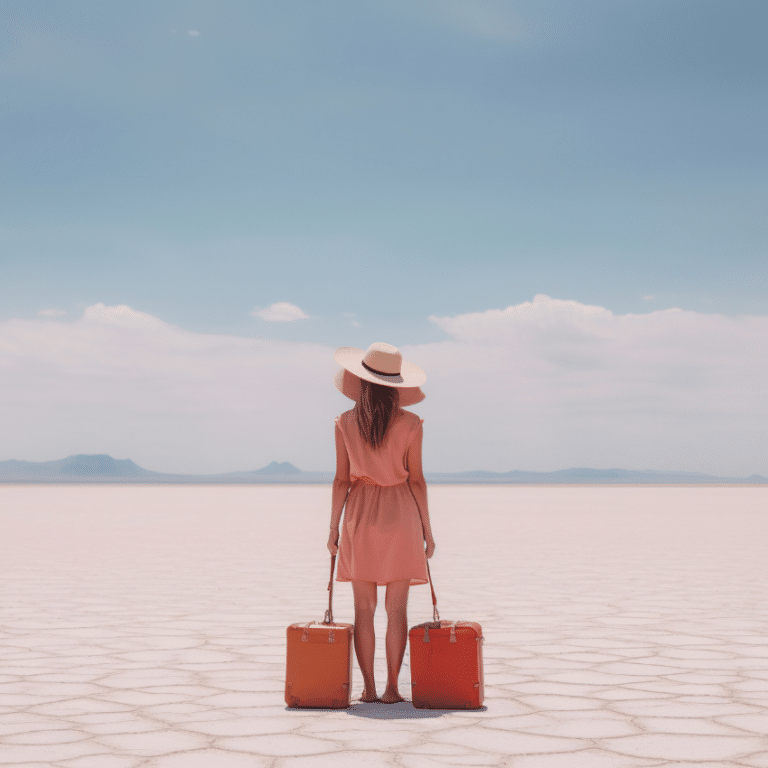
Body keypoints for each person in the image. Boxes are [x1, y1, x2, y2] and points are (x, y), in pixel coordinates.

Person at [328, 342, 436, 704]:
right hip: (401, 515)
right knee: (396, 609)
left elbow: (341, 481)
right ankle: (392, 688)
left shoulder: (344, 422)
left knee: (363, 609)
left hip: (359, 515)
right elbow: (416, 481)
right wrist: (428, 531)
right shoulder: (411, 424)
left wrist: (332, 532)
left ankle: (368, 688)